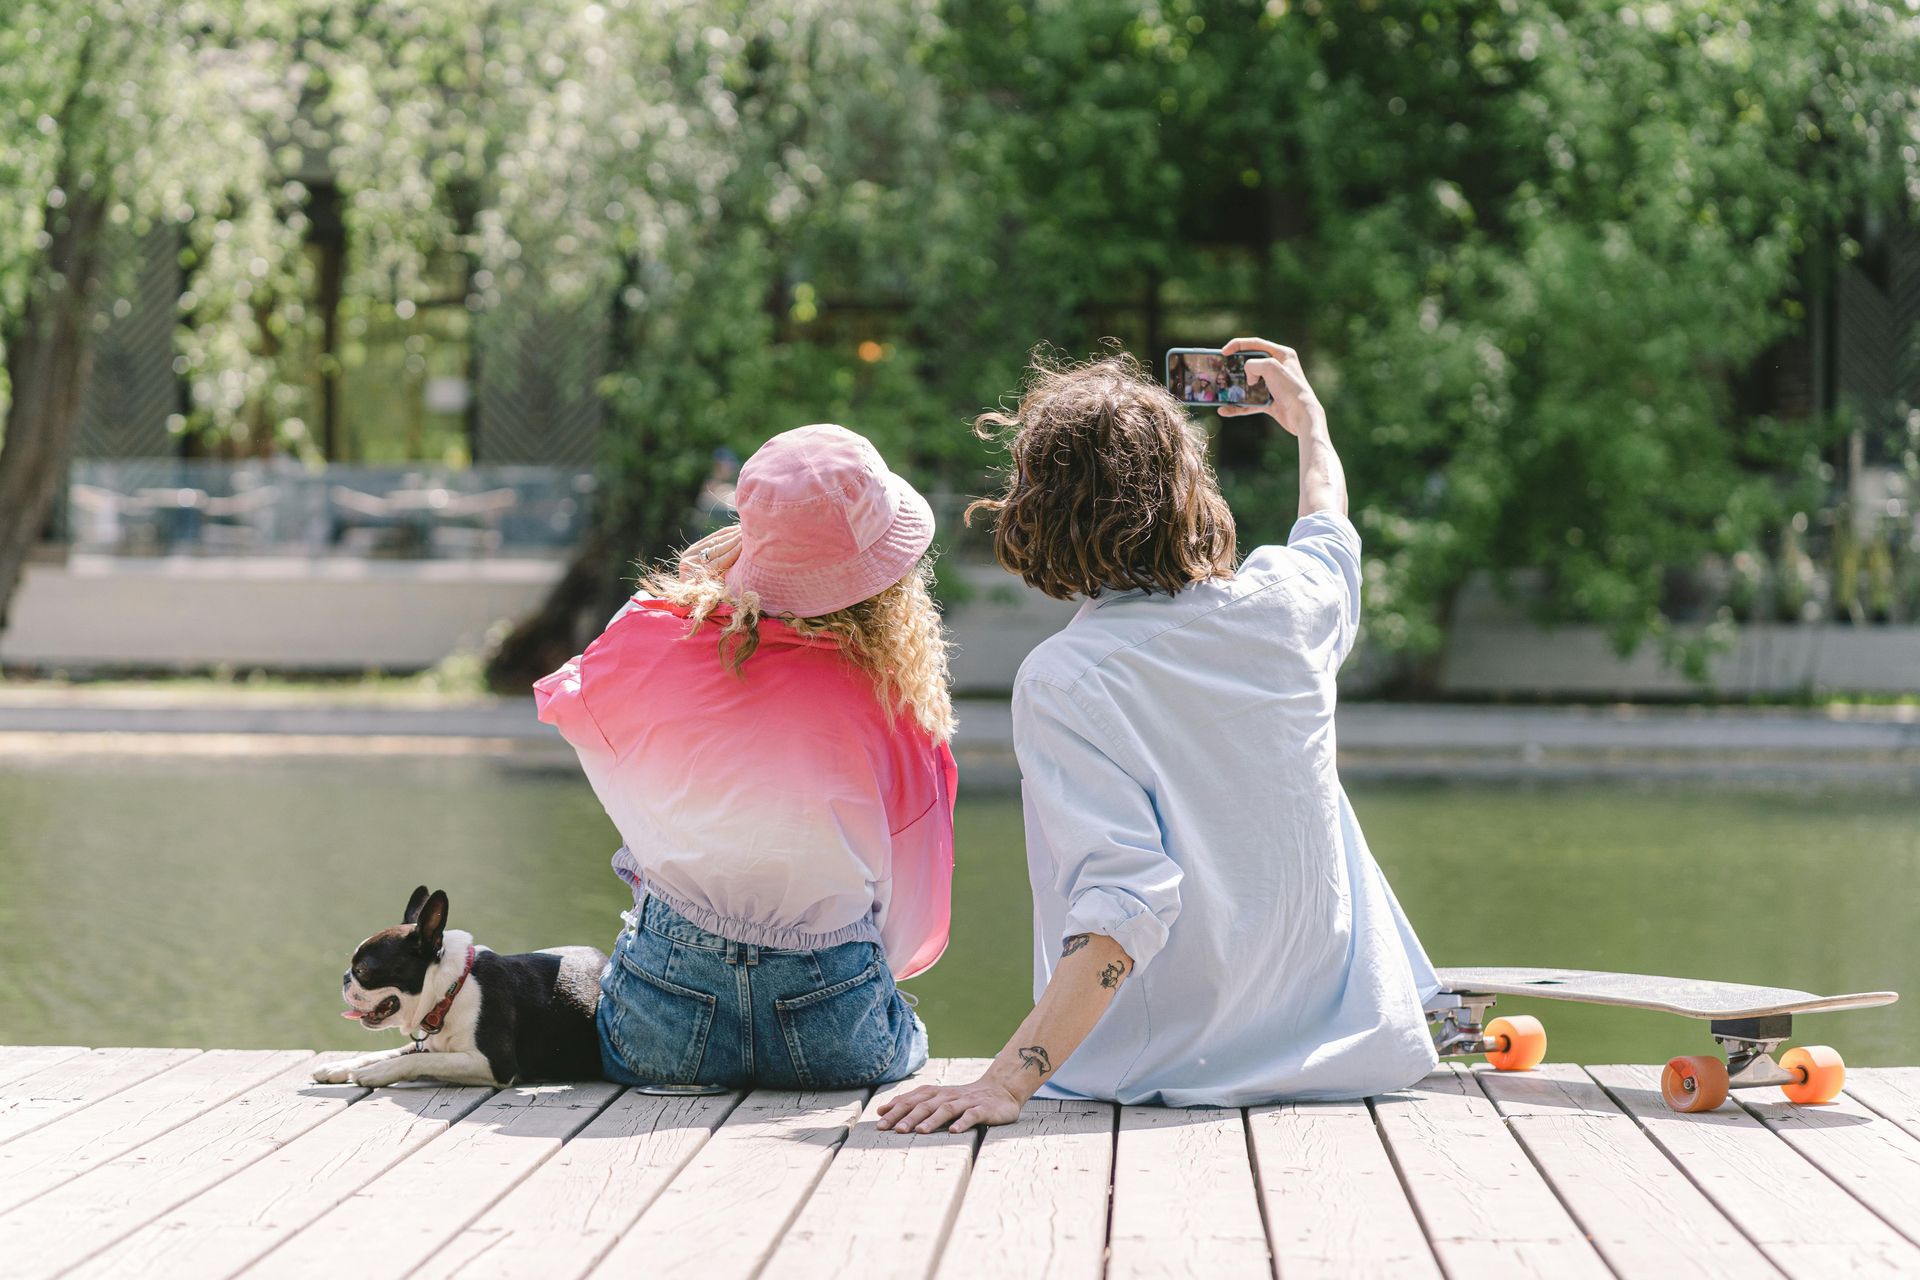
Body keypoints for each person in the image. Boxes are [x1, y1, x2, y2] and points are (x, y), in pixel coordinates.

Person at [879, 338, 1438, 1134]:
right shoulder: (1290, 606)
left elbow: (1125, 902)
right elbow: (1327, 524)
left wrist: (1005, 1083)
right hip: (1347, 1060)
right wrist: (1311, 424)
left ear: (1038, 510)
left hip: (1160, 1073)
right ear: (1190, 490)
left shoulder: (1067, 677)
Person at [537, 424, 957, 1090]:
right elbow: (908, 924)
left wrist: (719, 568)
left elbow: (575, 703)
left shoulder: (643, 646)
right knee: (909, 1033)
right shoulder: (898, 708)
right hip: (835, 1023)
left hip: (663, 1016)